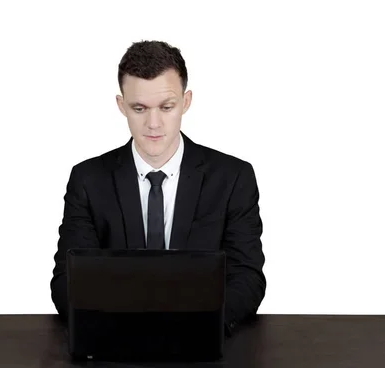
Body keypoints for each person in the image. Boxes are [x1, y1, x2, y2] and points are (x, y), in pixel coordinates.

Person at [50, 40, 266, 336]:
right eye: (139, 108)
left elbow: (247, 277)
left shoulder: (233, 178)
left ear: (186, 102)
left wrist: (199, 326)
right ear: (121, 105)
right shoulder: (88, 180)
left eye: (166, 107)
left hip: (202, 343)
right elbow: (67, 280)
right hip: (114, 345)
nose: (153, 123)